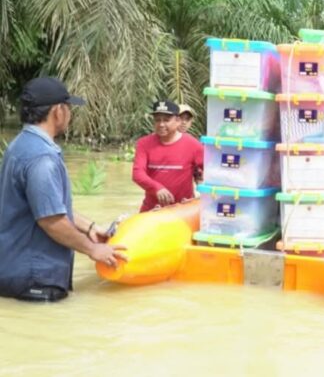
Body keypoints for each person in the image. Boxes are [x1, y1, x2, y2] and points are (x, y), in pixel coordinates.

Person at [0, 77, 127, 302]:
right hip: (35, 278)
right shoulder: (42, 157)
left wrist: (90, 227)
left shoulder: (19, 145)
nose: (70, 114)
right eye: (68, 108)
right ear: (58, 111)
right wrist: (93, 249)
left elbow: (48, 206)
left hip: (14, 268)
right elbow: (51, 221)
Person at [133, 100, 204, 212]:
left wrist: (203, 196)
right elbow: (137, 174)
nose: (161, 124)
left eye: (166, 120)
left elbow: (211, 170)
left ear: (178, 121)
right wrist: (157, 188)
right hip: (152, 209)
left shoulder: (193, 145)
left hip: (183, 211)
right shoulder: (143, 144)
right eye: (157, 120)